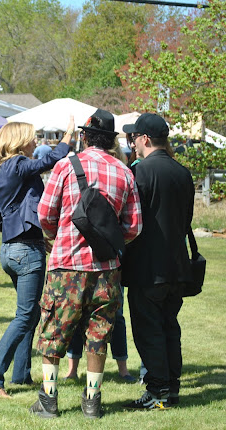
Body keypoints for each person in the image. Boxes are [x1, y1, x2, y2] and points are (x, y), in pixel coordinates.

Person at [31, 109, 142, 419]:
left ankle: (49, 400)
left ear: (84, 136)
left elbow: (45, 214)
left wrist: (55, 237)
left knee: (54, 330)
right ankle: (92, 401)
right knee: (99, 333)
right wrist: (108, 241)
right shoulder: (124, 172)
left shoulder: (66, 166)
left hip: (66, 265)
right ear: (111, 140)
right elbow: (134, 227)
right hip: (107, 269)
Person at [0, 119, 72, 398]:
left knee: (28, 314)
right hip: (26, 253)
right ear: (19, 141)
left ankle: (20, 374)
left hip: (10, 250)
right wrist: (68, 134)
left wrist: (32, 234)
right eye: (32, 138)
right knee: (25, 316)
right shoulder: (18, 164)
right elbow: (52, 160)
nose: (35, 143)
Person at [121, 113, 194, 410]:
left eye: (133, 137)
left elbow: (131, 220)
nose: (132, 143)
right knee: (169, 328)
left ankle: (158, 392)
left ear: (145, 139)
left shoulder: (140, 172)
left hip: (147, 268)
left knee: (149, 330)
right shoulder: (182, 172)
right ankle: (170, 389)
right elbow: (186, 219)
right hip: (177, 266)